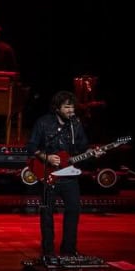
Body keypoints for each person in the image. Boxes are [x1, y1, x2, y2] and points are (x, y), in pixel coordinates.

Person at [27, 90, 89, 261]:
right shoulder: (44, 123)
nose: (71, 110)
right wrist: (45, 157)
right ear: (57, 108)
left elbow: (83, 147)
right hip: (49, 174)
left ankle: (69, 249)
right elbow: (31, 146)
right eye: (67, 107)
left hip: (70, 175)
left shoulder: (76, 124)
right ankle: (48, 249)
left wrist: (91, 153)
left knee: (73, 210)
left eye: (73, 107)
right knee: (47, 212)